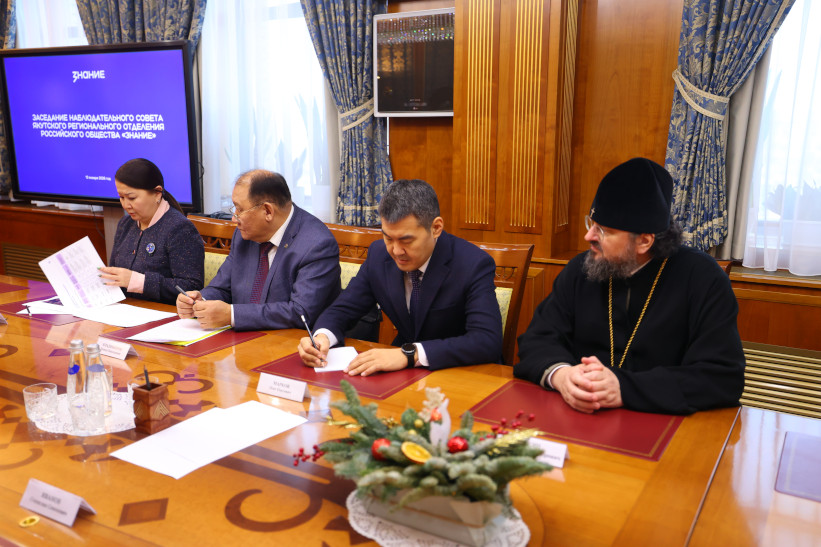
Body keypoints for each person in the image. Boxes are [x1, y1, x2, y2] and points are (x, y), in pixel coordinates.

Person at [514, 158, 745, 415]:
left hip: (664, 424)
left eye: (604, 231)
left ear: (644, 241)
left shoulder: (702, 278)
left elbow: (721, 377)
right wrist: (562, 375)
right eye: (591, 224)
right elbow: (536, 339)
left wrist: (624, 388)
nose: (588, 237)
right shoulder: (581, 269)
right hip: (579, 416)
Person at [298, 179, 503, 375]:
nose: (396, 251)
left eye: (406, 240)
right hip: (401, 373)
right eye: (388, 238)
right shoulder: (379, 255)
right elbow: (342, 309)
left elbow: (486, 340)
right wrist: (322, 337)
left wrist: (410, 354)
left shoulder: (472, 264)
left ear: (436, 228)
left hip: (460, 372)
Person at [176, 170, 341, 331]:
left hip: (293, 342)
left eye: (239, 210)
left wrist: (232, 315)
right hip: (240, 340)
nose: (234, 218)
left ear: (268, 211)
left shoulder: (317, 244)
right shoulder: (244, 235)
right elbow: (222, 287)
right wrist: (201, 300)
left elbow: (300, 312)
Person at [101, 158, 204, 304]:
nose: (126, 205)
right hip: (125, 309)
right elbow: (115, 275)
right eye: (121, 197)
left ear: (157, 193)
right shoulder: (125, 224)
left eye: (131, 198)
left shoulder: (180, 228)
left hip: (165, 312)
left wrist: (139, 282)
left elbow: (191, 287)